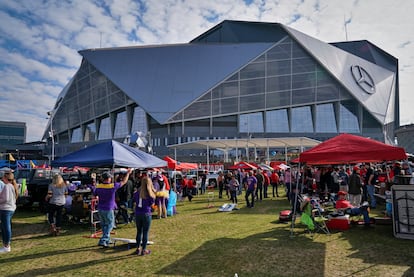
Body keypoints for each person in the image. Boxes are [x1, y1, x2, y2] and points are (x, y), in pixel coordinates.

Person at [93, 169, 131, 248]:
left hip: (100, 208)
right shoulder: (112, 186)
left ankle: (107, 239)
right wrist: (128, 173)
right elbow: (124, 182)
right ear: (109, 178)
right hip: (109, 208)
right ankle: (104, 240)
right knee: (110, 224)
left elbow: (95, 195)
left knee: (104, 225)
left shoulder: (98, 186)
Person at [133, 176, 156, 256]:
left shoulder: (137, 193)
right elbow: (152, 204)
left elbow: (134, 201)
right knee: (145, 232)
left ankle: (138, 248)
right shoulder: (150, 194)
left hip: (138, 214)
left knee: (139, 231)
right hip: (146, 213)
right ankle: (144, 249)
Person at [0, 171, 19, 253]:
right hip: (10, 208)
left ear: (5, 178)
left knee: (6, 227)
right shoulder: (11, 185)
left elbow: (6, 199)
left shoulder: (7, 186)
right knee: (5, 226)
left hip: (6, 209)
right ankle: (6, 244)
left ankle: (6, 245)